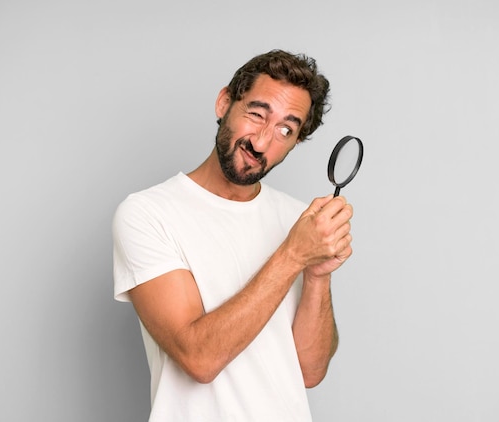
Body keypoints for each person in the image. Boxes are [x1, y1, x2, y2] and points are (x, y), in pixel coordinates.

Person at [112, 49, 354, 421]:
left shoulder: (296, 219)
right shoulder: (148, 214)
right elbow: (199, 358)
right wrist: (293, 254)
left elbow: (310, 371)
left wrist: (317, 273)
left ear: (297, 142)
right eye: (257, 114)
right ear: (224, 102)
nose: (262, 141)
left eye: (285, 129)